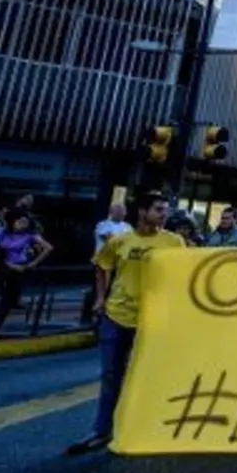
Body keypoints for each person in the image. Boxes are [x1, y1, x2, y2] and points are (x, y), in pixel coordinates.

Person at [67, 191, 184, 455]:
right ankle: (101, 430)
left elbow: (186, 274)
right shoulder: (120, 241)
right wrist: (100, 298)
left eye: (165, 210)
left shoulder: (175, 242)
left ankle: (144, 428)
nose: (163, 214)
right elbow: (102, 265)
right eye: (158, 209)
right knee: (110, 376)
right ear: (142, 212)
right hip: (116, 316)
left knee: (147, 375)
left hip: (153, 321)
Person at [0, 210, 53, 339]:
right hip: (4, 267)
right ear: (13, 222)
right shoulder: (3, 234)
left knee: (6, 301)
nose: (23, 224)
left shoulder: (30, 235)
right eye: (20, 222)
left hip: (19, 269)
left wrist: (33, 264)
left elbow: (48, 248)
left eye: (25, 222)